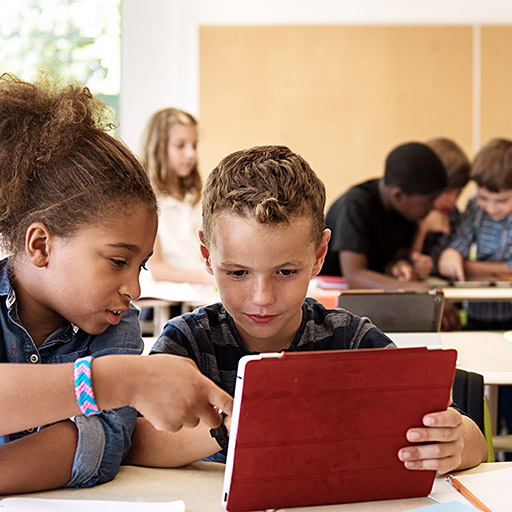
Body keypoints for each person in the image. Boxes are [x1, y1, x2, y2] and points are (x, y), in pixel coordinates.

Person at [125, 145, 487, 474]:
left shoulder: (350, 339)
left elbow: (472, 439)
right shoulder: (186, 342)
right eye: (237, 273)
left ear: (318, 255)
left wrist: (456, 444)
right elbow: (135, 440)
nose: (262, 297)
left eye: (286, 272)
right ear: (207, 255)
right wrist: (232, 427)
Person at [0, 73, 231, 495]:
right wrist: (118, 379)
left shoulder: (116, 325)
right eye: (118, 261)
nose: (134, 290)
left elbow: (104, 442)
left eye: (140, 267)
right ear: (40, 245)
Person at [438, 137, 512, 452]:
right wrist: (457, 258)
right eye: (483, 198)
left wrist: (469, 265)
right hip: (478, 319)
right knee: (475, 396)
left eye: (503, 201)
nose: (491, 208)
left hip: (509, 324)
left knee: (508, 400)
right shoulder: (473, 210)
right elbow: (449, 255)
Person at [321, 141, 447, 287]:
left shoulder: (407, 212)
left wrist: (399, 266)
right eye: (428, 202)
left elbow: (390, 262)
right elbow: (354, 276)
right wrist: (412, 289)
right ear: (398, 196)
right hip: (330, 295)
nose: (432, 208)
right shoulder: (356, 204)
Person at [140, 107, 213, 285]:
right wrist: (206, 278)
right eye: (180, 145)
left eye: (194, 145)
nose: (191, 154)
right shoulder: (146, 200)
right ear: (158, 148)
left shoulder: (196, 197)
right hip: (166, 302)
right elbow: (156, 267)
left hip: (202, 295)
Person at [411, 138, 471, 274]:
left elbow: (438, 267)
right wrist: (422, 229)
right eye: (447, 191)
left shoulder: (452, 215)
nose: (452, 200)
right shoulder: (406, 210)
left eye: (459, 192)